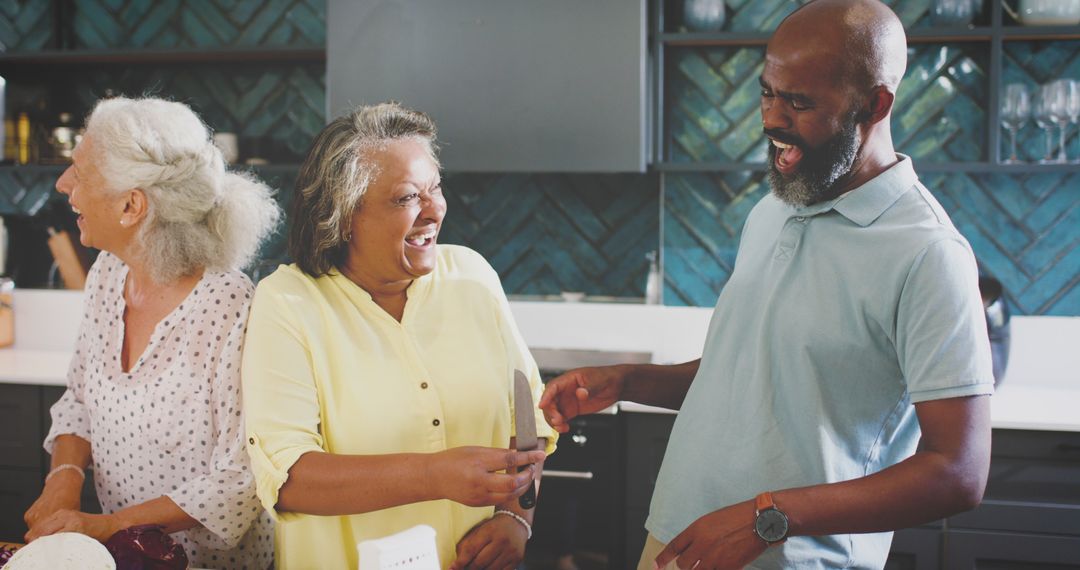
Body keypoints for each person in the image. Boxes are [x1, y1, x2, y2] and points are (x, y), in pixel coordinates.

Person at [539, 1, 995, 569]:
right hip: (678, 542)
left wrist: (767, 517)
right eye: (767, 93)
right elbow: (749, 377)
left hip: (798, 560)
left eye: (799, 102)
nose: (772, 119)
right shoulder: (776, 209)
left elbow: (958, 472)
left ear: (874, 104)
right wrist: (629, 381)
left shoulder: (928, 254)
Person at [240, 102, 554, 570]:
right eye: (407, 198)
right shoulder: (288, 302)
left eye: (436, 189)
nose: (434, 211)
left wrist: (515, 517)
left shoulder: (472, 276)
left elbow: (528, 424)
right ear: (343, 216)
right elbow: (288, 480)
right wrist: (433, 474)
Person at [26, 96, 281, 569]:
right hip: (130, 557)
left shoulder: (229, 306)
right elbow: (80, 398)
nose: (64, 184)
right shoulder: (107, 273)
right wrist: (62, 480)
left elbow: (241, 483)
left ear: (131, 206)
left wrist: (106, 525)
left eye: (79, 173)